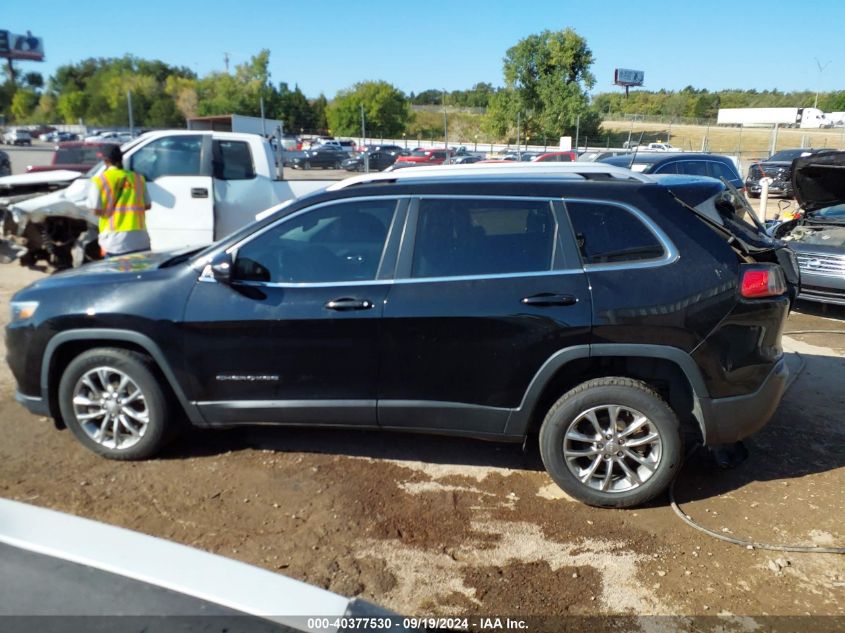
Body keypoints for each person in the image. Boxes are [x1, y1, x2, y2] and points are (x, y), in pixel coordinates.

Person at [87, 144, 151, 257]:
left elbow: (95, 211)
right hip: (140, 238)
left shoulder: (100, 180)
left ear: (105, 161)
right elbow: (147, 206)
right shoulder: (138, 178)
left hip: (116, 241)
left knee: (120, 274)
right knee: (139, 273)